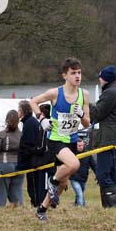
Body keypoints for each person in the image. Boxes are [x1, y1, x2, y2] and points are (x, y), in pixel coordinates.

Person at [30, 57, 91, 221]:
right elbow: (33, 101)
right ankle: (52, 181)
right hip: (56, 139)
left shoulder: (84, 95)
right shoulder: (55, 93)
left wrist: (81, 115)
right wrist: (41, 119)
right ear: (65, 75)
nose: (77, 76)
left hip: (71, 140)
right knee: (74, 165)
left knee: (63, 183)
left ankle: (41, 210)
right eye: (73, 73)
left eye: (79, 73)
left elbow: (87, 123)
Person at [91, 66, 116, 208]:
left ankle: (112, 204)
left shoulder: (109, 93)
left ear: (105, 78)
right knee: (115, 173)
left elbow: (97, 114)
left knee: (103, 174)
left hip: (108, 138)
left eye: (100, 77)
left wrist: (86, 104)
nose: (99, 79)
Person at [0, 110, 23, 208]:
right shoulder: (22, 135)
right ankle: (20, 214)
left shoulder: (2, 135)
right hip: (19, 166)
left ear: (6, 120)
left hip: (3, 166)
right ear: (18, 121)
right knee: (17, 196)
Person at [17, 101, 48, 208]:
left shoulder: (29, 123)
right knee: (34, 184)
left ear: (22, 111)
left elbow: (29, 143)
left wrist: (24, 154)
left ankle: (37, 203)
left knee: (34, 185)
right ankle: (37, 202)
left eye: (18, 110)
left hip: (32, 161)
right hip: (32, 160)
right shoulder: (30, 122)